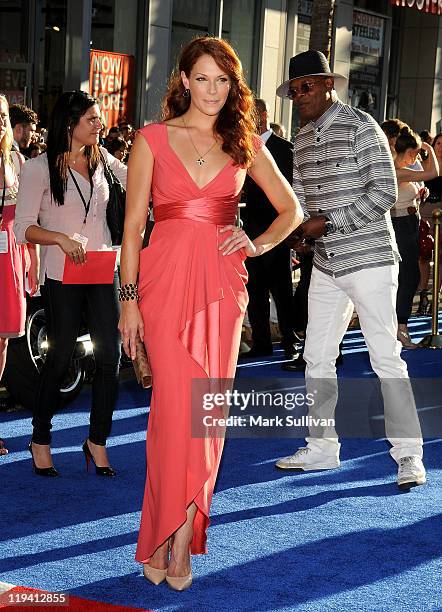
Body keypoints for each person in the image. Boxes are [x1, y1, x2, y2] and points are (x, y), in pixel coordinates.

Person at [119, 36, 302, 590]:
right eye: (203, 78)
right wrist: (127, 305)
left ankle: (179, 541)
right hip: (164, 284)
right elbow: (131, 229)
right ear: (183, 81)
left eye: (223, 80)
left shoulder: (243, 142)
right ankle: (160, 530)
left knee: (207, 417)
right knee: (173, 413)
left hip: (222, 289)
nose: (213, 90)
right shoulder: (151, 140)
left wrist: (257, 243)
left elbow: (292, 209)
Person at [274, 50, 426, 490]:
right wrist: (302, 231)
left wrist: (329, 223)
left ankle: (409, 454)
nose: (299, 95)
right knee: (316, 356)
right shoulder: (300, 141)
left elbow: (382, 192)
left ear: (328, 85)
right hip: (325, 265)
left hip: (371, 261)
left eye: (307, 87)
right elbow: (303, 202)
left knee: (385, 357)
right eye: (294, 89)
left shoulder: (361, 126)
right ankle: (322, 447)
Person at [14, 90, 127, 477]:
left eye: (99, 118)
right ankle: (40, 438)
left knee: (111, 355)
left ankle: (97, 440)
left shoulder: (104, 160)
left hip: (102, 267)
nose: (100, 124)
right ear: (70, 123)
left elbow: (142, 179)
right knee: (60, 355)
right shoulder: (37, 168)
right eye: (92, 119)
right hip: (62, 271)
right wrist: (59, 238)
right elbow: (21, 227)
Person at [241, 98, 299, 358]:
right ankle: (261, 342)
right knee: (255, 290)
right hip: (250, 230)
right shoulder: (239, 147)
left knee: (282, 290)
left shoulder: (285, 149)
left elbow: (292, 194)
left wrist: (291, 233)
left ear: (262, 115)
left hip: (279, 231)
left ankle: (290, 340)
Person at [0, 94, 39, 457]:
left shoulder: (18, 162)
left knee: (1, 343)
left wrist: (34, 264)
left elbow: (27, 221)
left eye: (1, 116)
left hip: (8, 259)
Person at [391, 126, 438, 347]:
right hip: (399, 225)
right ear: (407, 150)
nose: (418, 156)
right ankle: (400, 327)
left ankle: (399, 326)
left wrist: (421, 194)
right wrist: (428, 145)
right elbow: (434, 173)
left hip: (411, 221)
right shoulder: (397, 169)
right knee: (407, 277)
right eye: (416, 152)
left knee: (408, 277)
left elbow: (422, 183)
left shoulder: (409, 167)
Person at [420, 132, 442, 312]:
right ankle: (423, 297)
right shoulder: (425, 165)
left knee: (440, 258)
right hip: (426, 213)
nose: (441, 147)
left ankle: (436, 298)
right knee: (424, 257)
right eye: (438, 143)